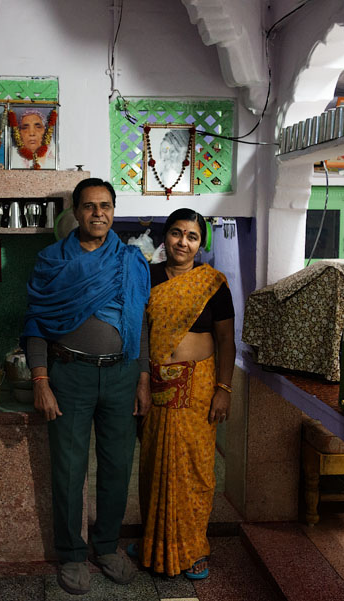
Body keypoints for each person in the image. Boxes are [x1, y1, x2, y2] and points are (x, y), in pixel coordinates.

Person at [22, 178, 151, 595]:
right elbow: (37, 322)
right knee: (69, 469)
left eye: (106, 206)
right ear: (76, 212)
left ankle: (107, 547)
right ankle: (72, 554)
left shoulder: (131, 260)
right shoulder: (52, 262)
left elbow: (140, 325)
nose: (99, 213)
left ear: (114, 211)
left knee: (117, 468)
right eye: (90, 206)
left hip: (121, 376)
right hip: (69, 376)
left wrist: (143, 378)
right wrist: (40, 381)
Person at [134, 208, 235, 580]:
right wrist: (141, 381)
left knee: (195, 469)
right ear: (166, 236)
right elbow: (140, 334)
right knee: (153, 466)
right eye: (177, 233)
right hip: (157, 383)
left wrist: (223, 389)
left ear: (200, 243)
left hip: (199, 386)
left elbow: (226, 340)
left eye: (192, 236)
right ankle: (153, 543)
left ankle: (193, 549)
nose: (183, 242)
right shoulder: (147, 277)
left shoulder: (213, 284)